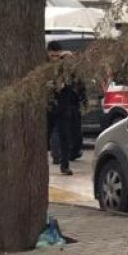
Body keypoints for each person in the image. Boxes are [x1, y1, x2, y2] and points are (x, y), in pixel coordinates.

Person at [47, 41, 84, 176]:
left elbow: (77, 84)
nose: (55, 59)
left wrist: (66, 86)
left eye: (58, 56)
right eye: (53, 56)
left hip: (64, 106)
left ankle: (65, 165)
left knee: (65, 136)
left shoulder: (68, 68)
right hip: (49, 106)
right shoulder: (45, 67)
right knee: (47, 134)